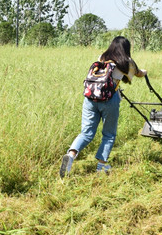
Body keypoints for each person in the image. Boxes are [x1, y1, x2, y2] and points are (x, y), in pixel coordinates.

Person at [59, 36, 147, 178]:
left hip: (90, 98)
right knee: (109, 134)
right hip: (109, 100)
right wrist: (144, 71)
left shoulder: (102, 57)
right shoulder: (127, 62)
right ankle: (101, 166)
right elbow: (137, 74)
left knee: (86, 133)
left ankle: (71, 155)